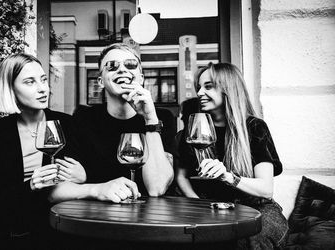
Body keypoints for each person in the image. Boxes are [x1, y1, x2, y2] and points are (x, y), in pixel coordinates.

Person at [0, 53, 86, 248]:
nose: (42, 89)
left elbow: (96, 173)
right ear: (10, 89)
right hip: (4, 237)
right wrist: (31, 184)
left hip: (55, 234)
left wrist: (84, 175)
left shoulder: (68, 125)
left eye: (43, 80)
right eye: (29, 82)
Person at [176, 62, 288, 249]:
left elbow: (266, 189)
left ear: (228, 88)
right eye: (199, 87)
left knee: (251, 242)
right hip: (210, 208)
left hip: (256, 209)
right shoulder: (194, 129)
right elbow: (182, 177)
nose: (200, 93)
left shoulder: (254, 128)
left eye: (208, 86)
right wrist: (197, 204)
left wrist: (228, 177)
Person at [51, 43, 173, 203]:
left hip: (149, 219)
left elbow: (156, 188)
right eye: (112, 66)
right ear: (100, 81)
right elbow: (56, 191)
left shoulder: (161, 117)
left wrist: (150, 120)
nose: (122, 69)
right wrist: (98, 189)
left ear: (141, 78)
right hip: (95, 218)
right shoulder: (83, 118)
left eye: (130, 65)